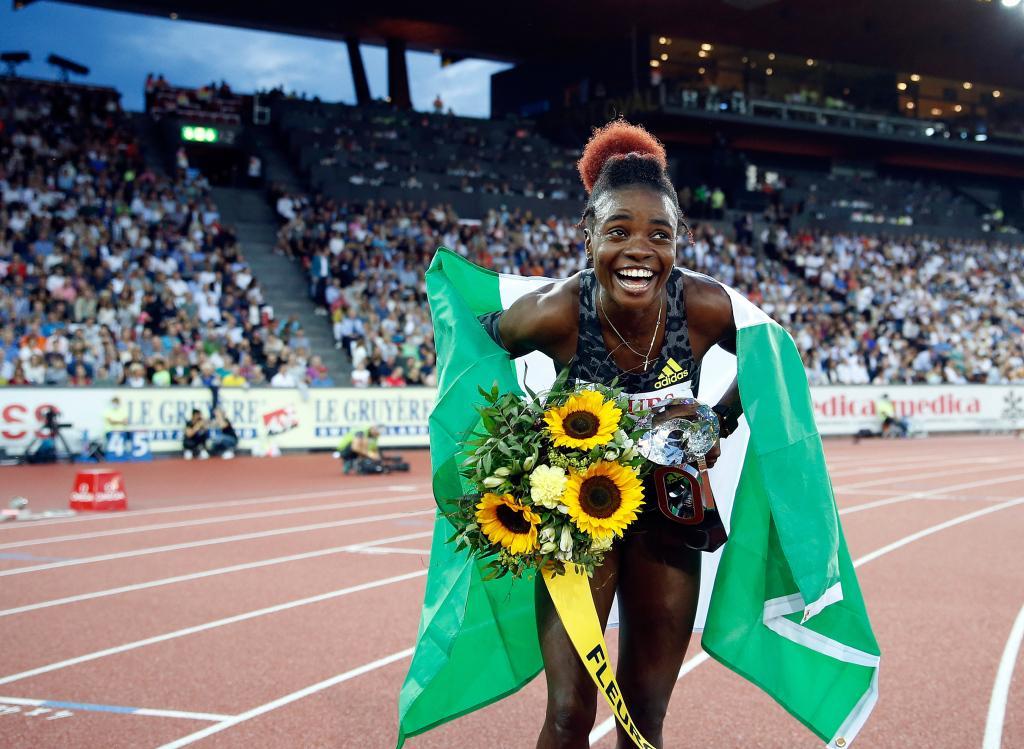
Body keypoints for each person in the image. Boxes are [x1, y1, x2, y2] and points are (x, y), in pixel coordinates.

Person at [480, 121, 744, 747]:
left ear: (680, 239)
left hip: (670, 508)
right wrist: (517, 435)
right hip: (578, 513)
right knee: (571, 713)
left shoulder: (705, 307)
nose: (639, 250)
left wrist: (718, 418)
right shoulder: (556, 312)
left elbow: (777, 359)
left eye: (660, 234)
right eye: (618, 230)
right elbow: (472, 342)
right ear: (588, 234)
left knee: (645, 714)